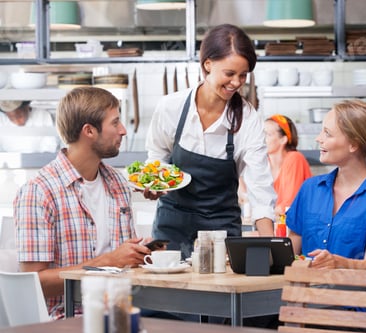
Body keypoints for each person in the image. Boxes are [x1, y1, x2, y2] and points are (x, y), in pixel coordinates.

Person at [13, 87, 151, 320]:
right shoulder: (39, 192)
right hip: (68, 316)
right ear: (89, 131)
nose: (123, 131)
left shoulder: (116, 181)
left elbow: (123, 261)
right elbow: (35, 284)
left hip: (120, 307)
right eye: (115, 123)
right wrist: (108, 262)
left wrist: (143, 253)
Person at [144, 24, 276, 259]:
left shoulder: (248, 119)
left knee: (221, 293)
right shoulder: (171, 107)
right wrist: (155, 185)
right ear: (208, 64)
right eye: (230, 73)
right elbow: (157, 158)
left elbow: (260, 189)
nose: (236, 82)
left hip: (221, 228)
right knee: (167, 293)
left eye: (243, 75)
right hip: (172, 224)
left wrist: (272, 249)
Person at [286, 99, 366, 271]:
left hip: (352, 296)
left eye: (327, 133)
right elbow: (290, 255)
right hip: (305, 292)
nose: (318, 139)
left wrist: (338, 263)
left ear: (353, 144)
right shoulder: (309, 189)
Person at [264, 114, 312, 215]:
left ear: (283, 140)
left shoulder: (294, 158)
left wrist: (261, 211)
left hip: (296, 228)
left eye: (267, 134)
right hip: (277, 225)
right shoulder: (264, 163)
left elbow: (288, 206)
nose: (261, 139)